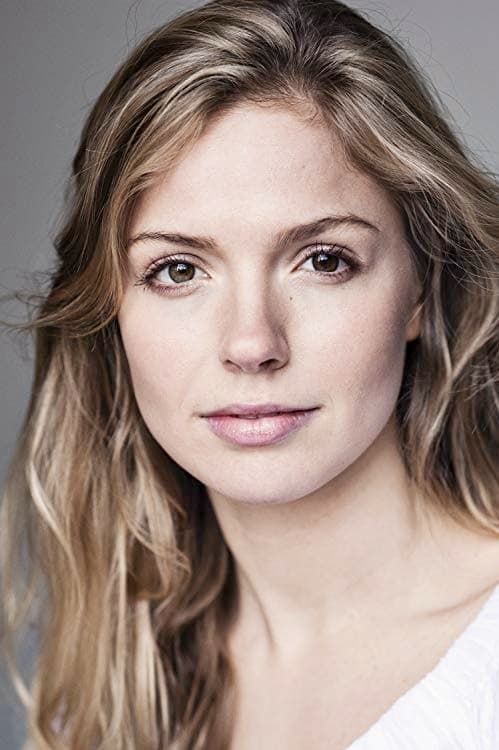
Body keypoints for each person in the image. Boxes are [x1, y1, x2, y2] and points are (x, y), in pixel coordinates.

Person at [1, 0, 498, 748]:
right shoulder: (108, 703)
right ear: (112, 310)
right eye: (177, 270)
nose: (251, 343)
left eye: (323, 260)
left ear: (419, 290)